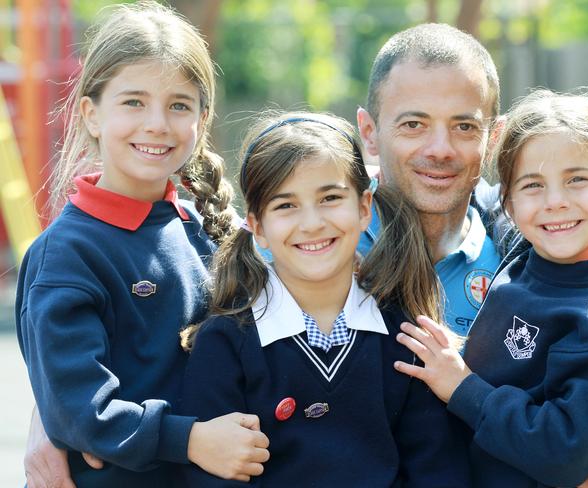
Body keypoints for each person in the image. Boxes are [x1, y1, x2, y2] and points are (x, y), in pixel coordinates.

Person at [356, 23, 588, 486]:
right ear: (370, 133)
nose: (440, 149)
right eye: (413, 124)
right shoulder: (316, 250)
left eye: (464, 126)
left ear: (493, 139)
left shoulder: (534, 245)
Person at [15, 2, 269, 487]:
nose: (157, 123)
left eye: (179, 105)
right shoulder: (67, 254)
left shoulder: (208, 228)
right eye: (134, 101)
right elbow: (79, 412)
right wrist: (190, 440)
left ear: (202, 118)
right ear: (90, 113)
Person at [179, 112, 470, 487]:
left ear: (364, 208)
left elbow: (438, 471)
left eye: (330, 198)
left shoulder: (406, 338)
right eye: (286, 205)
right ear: (257, 227)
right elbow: (211, 477)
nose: (312, 223)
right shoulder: (226, 342)